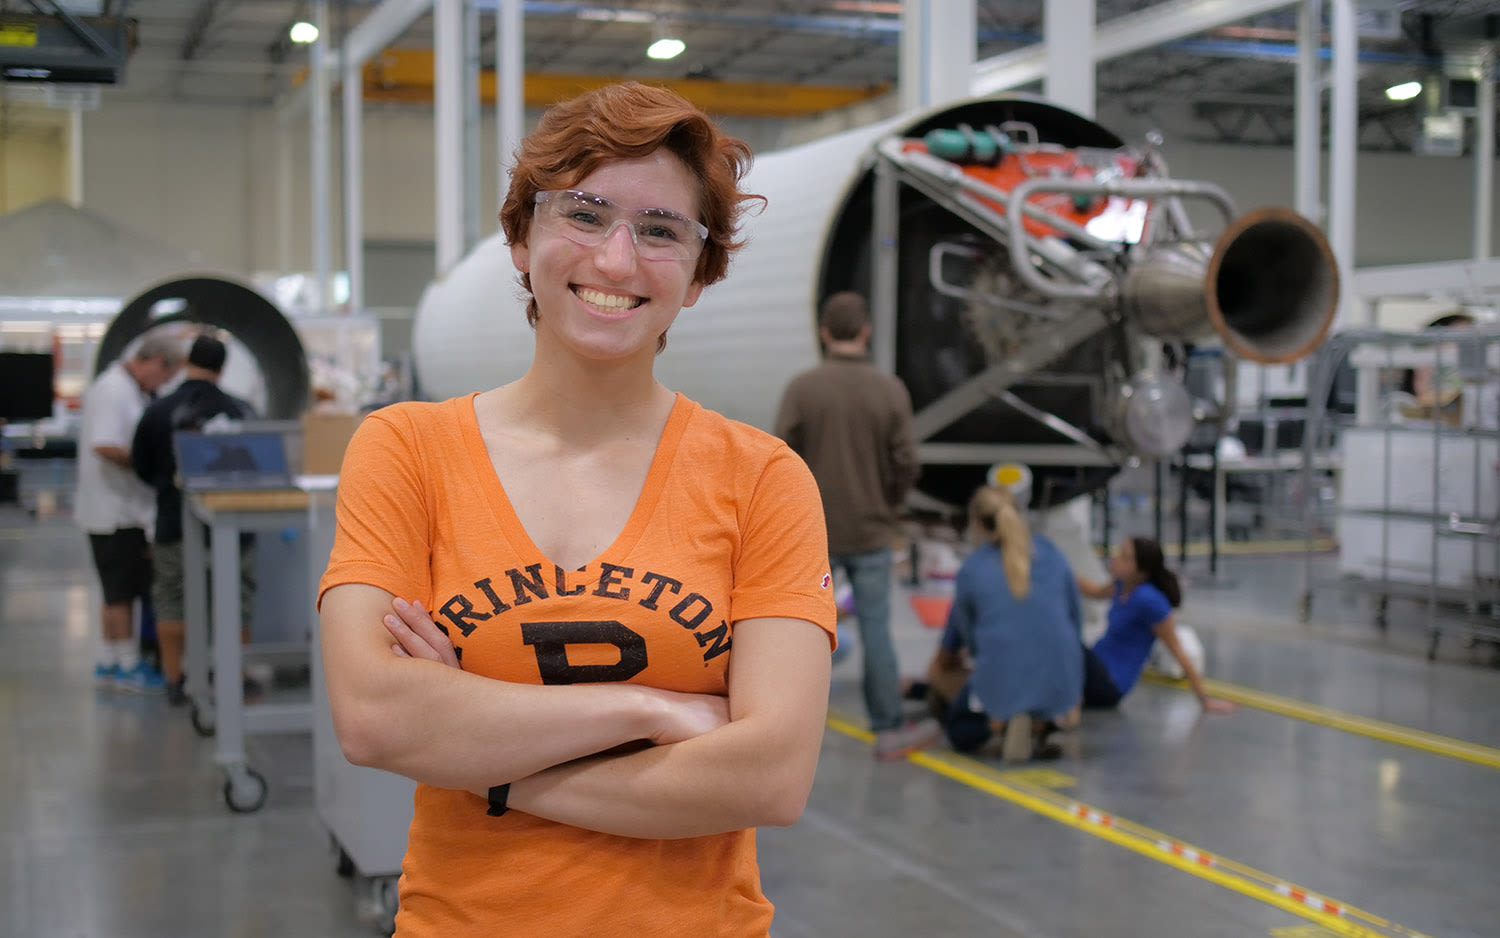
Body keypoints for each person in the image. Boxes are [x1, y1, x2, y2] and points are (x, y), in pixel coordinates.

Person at [318, 83, 837, 937]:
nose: (617, 261)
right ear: (521, 238)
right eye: (586, 215)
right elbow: (374, 717)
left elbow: (771, 776)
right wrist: (649, 710)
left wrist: (483, 761)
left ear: (698, 277)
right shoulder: (407, 449)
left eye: (661, 231)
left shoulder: (763, 478)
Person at [774, 290, 927, 759]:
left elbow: (781, 457)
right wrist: (889, 502)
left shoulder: (804, 388)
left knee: (796, 629)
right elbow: (907, 461)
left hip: (813, 534)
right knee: (878, 630)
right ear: (866, 332)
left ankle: (776, 730)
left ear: (824, 333)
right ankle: (888, 728)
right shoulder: (889, 390)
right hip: (872, 531)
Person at [132, 334, 258, 705]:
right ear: (222, 368)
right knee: (237, 600)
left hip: (174, 522)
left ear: (187, 361)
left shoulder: (158, 411)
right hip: (235, 524)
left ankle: (175, 680)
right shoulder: (242, 411)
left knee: (172, 598)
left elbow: (142, 466)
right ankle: (234, 677)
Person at [927, 485, 1084, 761]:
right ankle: (1044, 720)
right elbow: (1075, 617)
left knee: (958, 729)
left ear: (975, 523)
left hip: (1002, 676)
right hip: (1065, 679)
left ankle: (999, 721)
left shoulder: (972, 569)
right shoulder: (1050, 551)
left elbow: (969, 639)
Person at [75, 334, 184, 690]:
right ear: (153, 362)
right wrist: (148, 465)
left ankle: (109, 659)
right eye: (165, 377)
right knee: (120, 592)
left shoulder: (127, 389)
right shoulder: (115, 390)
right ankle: (127, 664)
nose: (163, 385)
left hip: (116, 509)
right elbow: (105, 445)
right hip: (114, 511)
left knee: (114, 590)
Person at [1075, 537, 1236, 712]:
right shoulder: (1122, 585)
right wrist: (1060, 570)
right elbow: (1094, 591)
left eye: (1125, 558)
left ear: (1142, 571)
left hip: (1110, 683)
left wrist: (1205, 701)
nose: (1116, 559)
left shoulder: (1150, 601)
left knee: (1066, 640)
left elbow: (1178, 651)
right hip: (1097, 667)